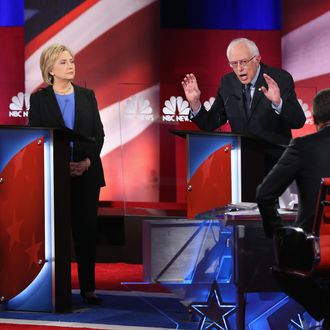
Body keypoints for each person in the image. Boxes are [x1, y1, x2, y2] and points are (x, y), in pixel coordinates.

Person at [28, 44, 105, 305]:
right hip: (54, 178)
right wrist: (59, 166)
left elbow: (99, 134)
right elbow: (36, 139)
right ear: (49, 69)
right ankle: (54, 287)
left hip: (86, 173)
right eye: (63, 62)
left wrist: (86, 161)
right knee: (56, 233)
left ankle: (88, 288)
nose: (70, 66)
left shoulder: (87, 96)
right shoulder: (39, 100)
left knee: (86, 231)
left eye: (71, 61)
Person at [256, 89, 330, 328]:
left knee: (282, 265)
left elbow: (264, 194)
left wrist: (276, 233)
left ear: (316, 120)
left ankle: (325, 310)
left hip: (316, 252)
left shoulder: (302, 146)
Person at [182, 37, 306, 170]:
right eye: (234, 63)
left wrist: (278, 103)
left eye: (244, 62)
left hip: (276, 165)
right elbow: (211, 123)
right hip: (242, 164)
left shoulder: (280, 79)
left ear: (257, 58)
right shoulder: (227, 83)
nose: (239, 68)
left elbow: (298, 121)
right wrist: (195, 104)